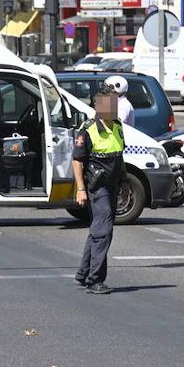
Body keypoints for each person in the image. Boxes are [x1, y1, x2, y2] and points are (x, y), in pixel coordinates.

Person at [73, 84, 125, 296]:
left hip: (113, 185)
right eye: (109, 104)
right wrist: (81, 189)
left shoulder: (118, 125)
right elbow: (77, 161)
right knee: (103, 231)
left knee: (98, 229)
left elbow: (119, 155)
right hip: (97, 186)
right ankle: (95, 279)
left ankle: (83, 273)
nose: (113, 109)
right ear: (98, 106)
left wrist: (124, 182)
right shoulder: (88, 129)